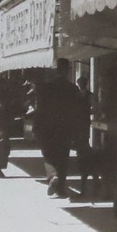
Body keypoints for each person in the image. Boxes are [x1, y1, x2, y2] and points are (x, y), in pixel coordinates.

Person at [33, 58, 84, 199]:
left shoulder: (45, 88)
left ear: (55, 70)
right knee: (63, 157)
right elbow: (78, 111)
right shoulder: (73, 89)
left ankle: (53, 177)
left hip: (47, 128)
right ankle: (60, 187)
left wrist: (36, 127)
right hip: (65, 129)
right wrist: (78, 131)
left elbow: (39, 109)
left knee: (49, 156)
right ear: (68, 70)